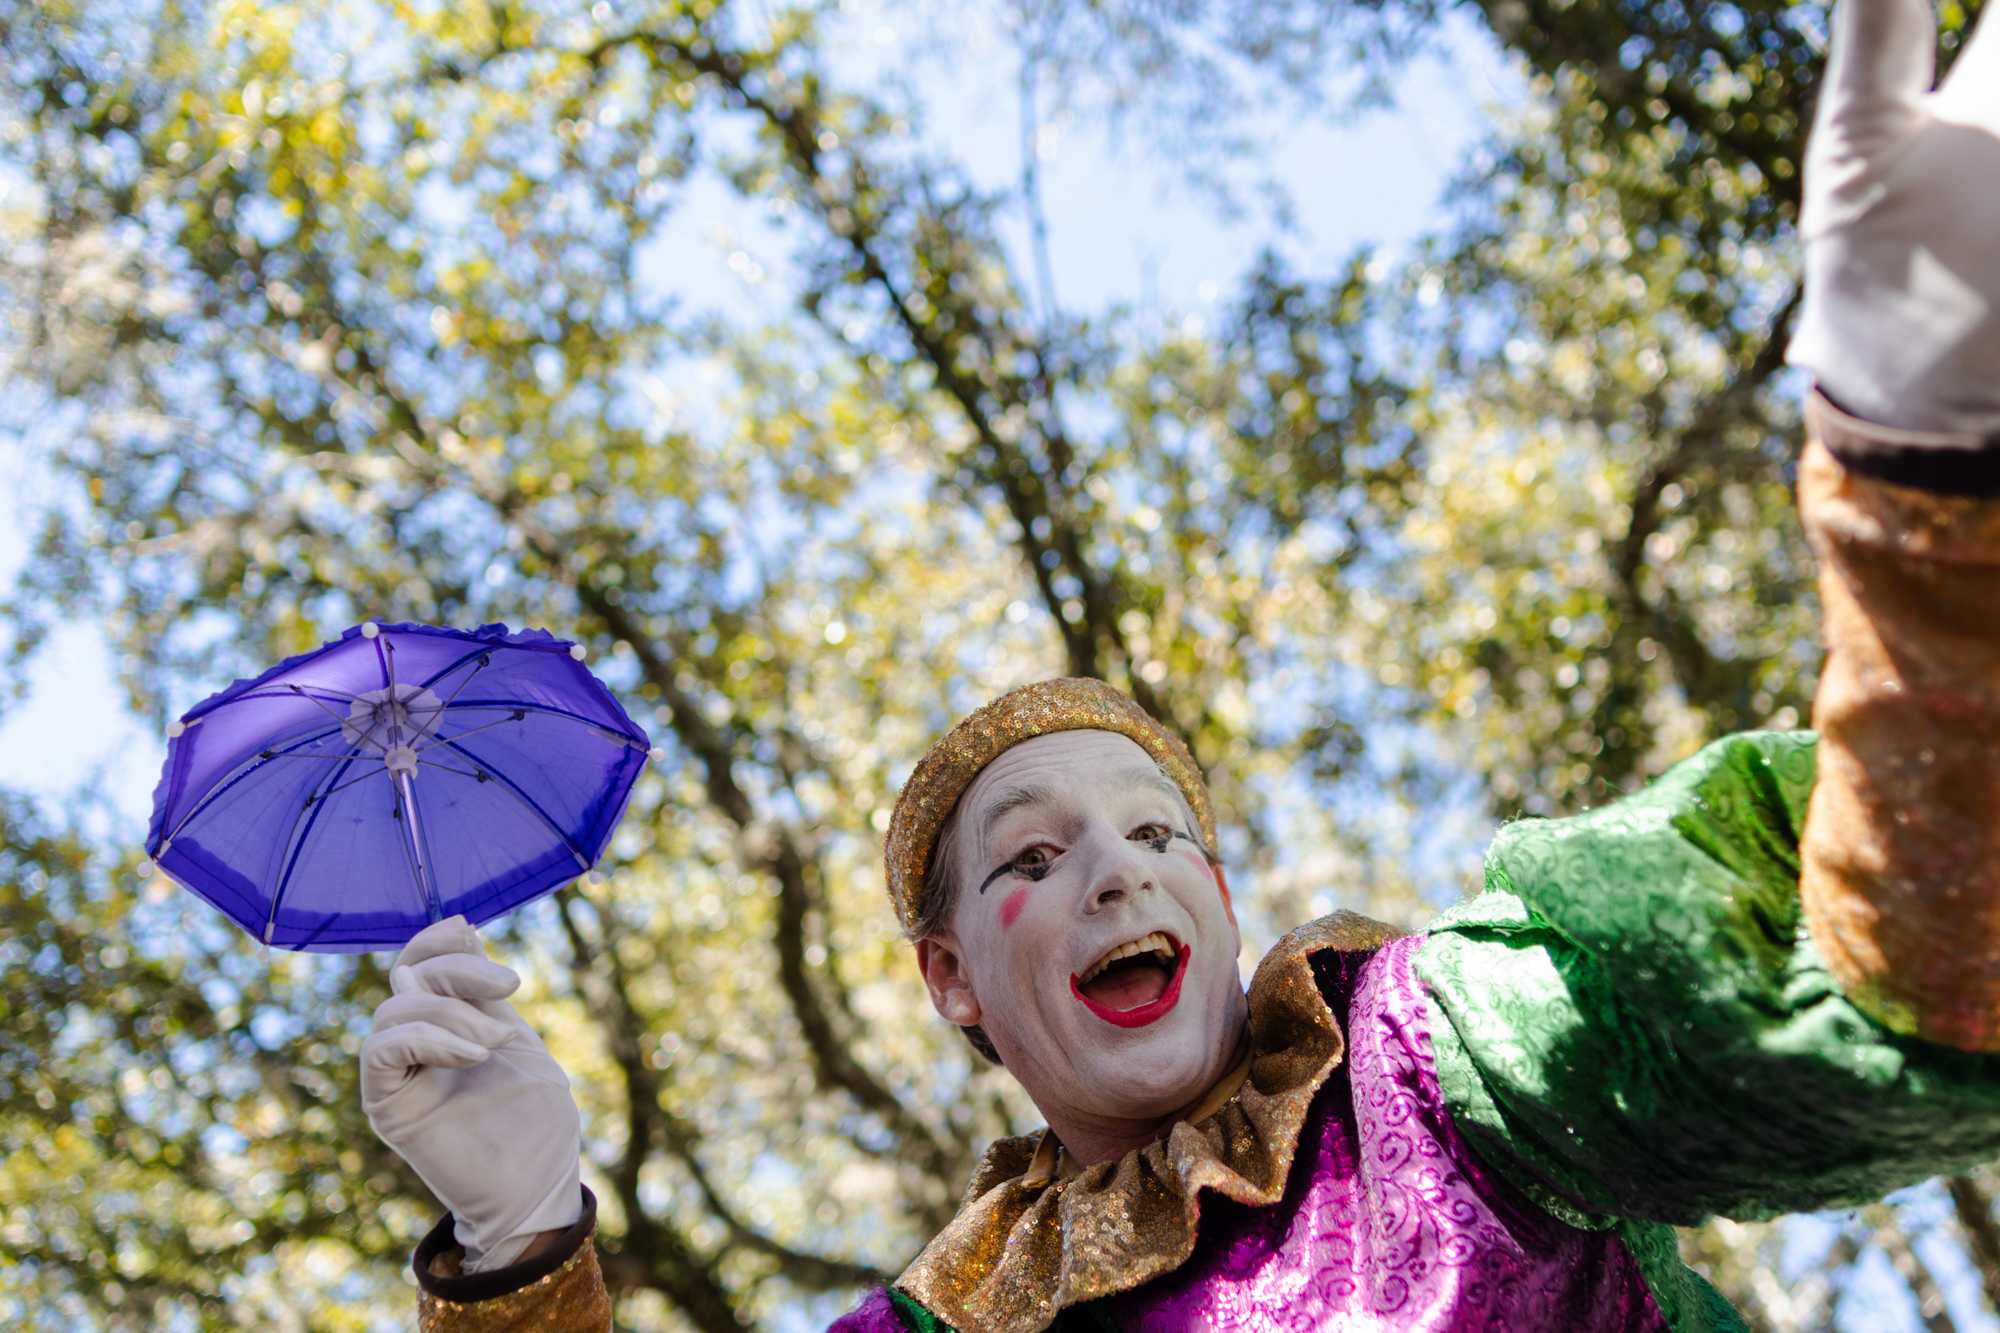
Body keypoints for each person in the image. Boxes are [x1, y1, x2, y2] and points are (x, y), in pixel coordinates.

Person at [359, 1, 2000, 1327]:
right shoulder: (951, 1320)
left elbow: (1827, 992)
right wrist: (519, 1241)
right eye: (1033, 855)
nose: (1119, 876)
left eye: (1160, 836)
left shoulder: (1425, 1070)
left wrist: (1933, 500)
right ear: (952, 983)